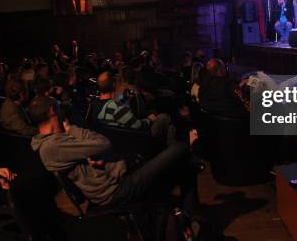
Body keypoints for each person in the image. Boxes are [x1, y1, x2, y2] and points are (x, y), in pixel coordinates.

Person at [29, 96, 197, 212]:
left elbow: (91, 150)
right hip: (116, 191)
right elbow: (102, 143)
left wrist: (92, 157)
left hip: (116, 176)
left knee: (184, 165)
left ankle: (189, 216)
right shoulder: (53, 145)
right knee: (180, 148)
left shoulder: (55, 142)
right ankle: (189, 216)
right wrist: (70, 128)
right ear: (52, 110)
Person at [96, 71, 175, 145]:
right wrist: (150, 119)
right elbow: (138, 125)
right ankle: (171, 147)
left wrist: (124, 97)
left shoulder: (96, 106)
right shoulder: (117, 107)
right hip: (138, 139)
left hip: (119, 140)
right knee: (165, 117)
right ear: (114, 84)